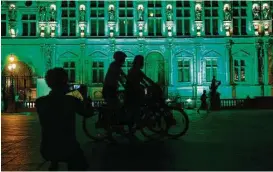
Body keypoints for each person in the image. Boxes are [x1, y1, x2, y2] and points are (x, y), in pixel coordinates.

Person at [35, 68, 92, 171]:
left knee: (55, 153)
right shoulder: (71, 100)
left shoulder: (40, 102)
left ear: (48, 83)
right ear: (65, 81)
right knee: (79, 163)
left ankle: (54, 164)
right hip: (68, 147)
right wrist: (84, 98)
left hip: (47, 148)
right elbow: (87, 113)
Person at [125, 55, 157, 136]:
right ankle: (136, 123)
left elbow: (143, 80)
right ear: (139, 62)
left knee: (139, 107)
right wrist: (154, 85)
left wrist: (147, 85)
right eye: (142, 62)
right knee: (137, 108)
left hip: (133, 92)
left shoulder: (135, 70)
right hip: (132, 94)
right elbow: (144, 79)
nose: (143, 63)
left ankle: (136, 123)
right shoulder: (135, 71)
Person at [102, 51, 127, 139]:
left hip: (111, 89)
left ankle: (117, 127)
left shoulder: (116, 65)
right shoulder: (114, 66)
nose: (124, 61)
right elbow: (120, 77)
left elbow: (122, 76)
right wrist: (127, 85)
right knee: (116, 108)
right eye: (123, 59)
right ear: (119, 59)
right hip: (109, 90)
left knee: (118, 107)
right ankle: (110, 132)